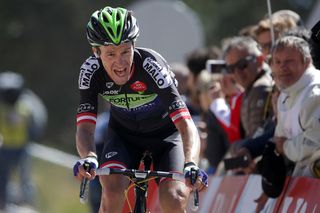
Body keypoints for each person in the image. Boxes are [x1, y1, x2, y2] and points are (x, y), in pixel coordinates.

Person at [73, 6, 208, 213]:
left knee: (174, 197)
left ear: (134, 45)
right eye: (110, 53)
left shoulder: (151, 67)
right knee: (111, 191)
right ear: (96, 52)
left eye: (126, 51)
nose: (120, 62)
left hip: (167, 137)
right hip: (123, 136)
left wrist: (191, 163)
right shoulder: (90, 72)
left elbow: (185, 123)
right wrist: (89, 156)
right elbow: (85, 127)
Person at [0, 71, 47, 210]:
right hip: (12, 148)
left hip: (17, 148)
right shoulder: (24, 108)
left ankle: (25, 203)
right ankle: (6, 203)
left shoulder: (24, 108)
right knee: (7, 177)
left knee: (20, 177)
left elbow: (33, 126)